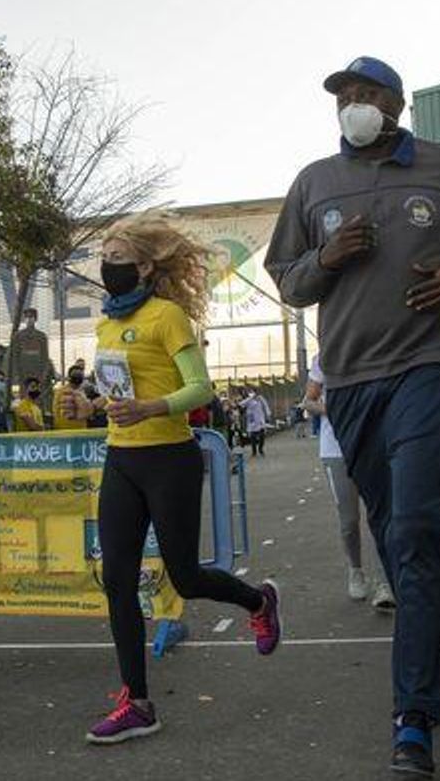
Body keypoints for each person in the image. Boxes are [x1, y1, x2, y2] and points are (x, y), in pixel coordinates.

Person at [265, 56, 440, 776]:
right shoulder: (314, 183)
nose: (352, 104)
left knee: (411, 525)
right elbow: (288, 281)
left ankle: (411, 718)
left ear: (396, 104)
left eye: (365, 92)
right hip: (349, 384)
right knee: (398, 534)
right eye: (343, 95)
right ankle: (431, 662)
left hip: (429, 368)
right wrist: (329, 257)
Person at [62, 212, 280, 745]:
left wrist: (152, 407)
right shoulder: (107, 325)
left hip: (170, 459)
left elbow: (200, 390)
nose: (106, 268)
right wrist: (86, 404)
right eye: (103, 259)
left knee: (184, 577)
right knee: (117, 581)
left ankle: (258, 601)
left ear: (143, 265)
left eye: (115, 260)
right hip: (122, 460)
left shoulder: (168, 317)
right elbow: (116, 396)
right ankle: (137, 703)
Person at [305, 353, 394, 607]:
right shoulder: (324, 358)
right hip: (336, 449)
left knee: (382, 514)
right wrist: (334, 409)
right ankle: (356, 571)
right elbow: (308, 402)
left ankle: (385, 582)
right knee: (349, 520)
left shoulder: (376, 350)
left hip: (374, 445)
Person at [9, 308, 55, 410]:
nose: (29, 319)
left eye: (32, 317)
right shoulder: (18, 336)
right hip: (24, 372)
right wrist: (17, 373)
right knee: (25, 397)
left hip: (38, 372)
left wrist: (44, 373)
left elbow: (45, 356)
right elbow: (15, 356)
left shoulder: (41, 336)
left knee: (38, 398)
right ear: (24, 319)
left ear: (35, 319)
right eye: (27, 317)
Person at [52, 364, 90, 431]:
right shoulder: (63, 392)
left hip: (79, 430)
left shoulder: (81, 392)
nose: (78, 377)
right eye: (76, 374)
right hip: (68, 432)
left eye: (80, 375)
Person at [241, 388, 271, 457]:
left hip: (260, 420)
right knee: (253, 437)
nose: (252, 393)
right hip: (252, 421)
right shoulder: (248, 400)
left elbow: (266, 406)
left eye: (253, 392)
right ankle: (254, 451)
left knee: (262, 436)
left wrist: (268, 415)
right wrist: (250, 398)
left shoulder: (260, 399)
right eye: (250, 392)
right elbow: (242, 404)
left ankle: (260, 449)